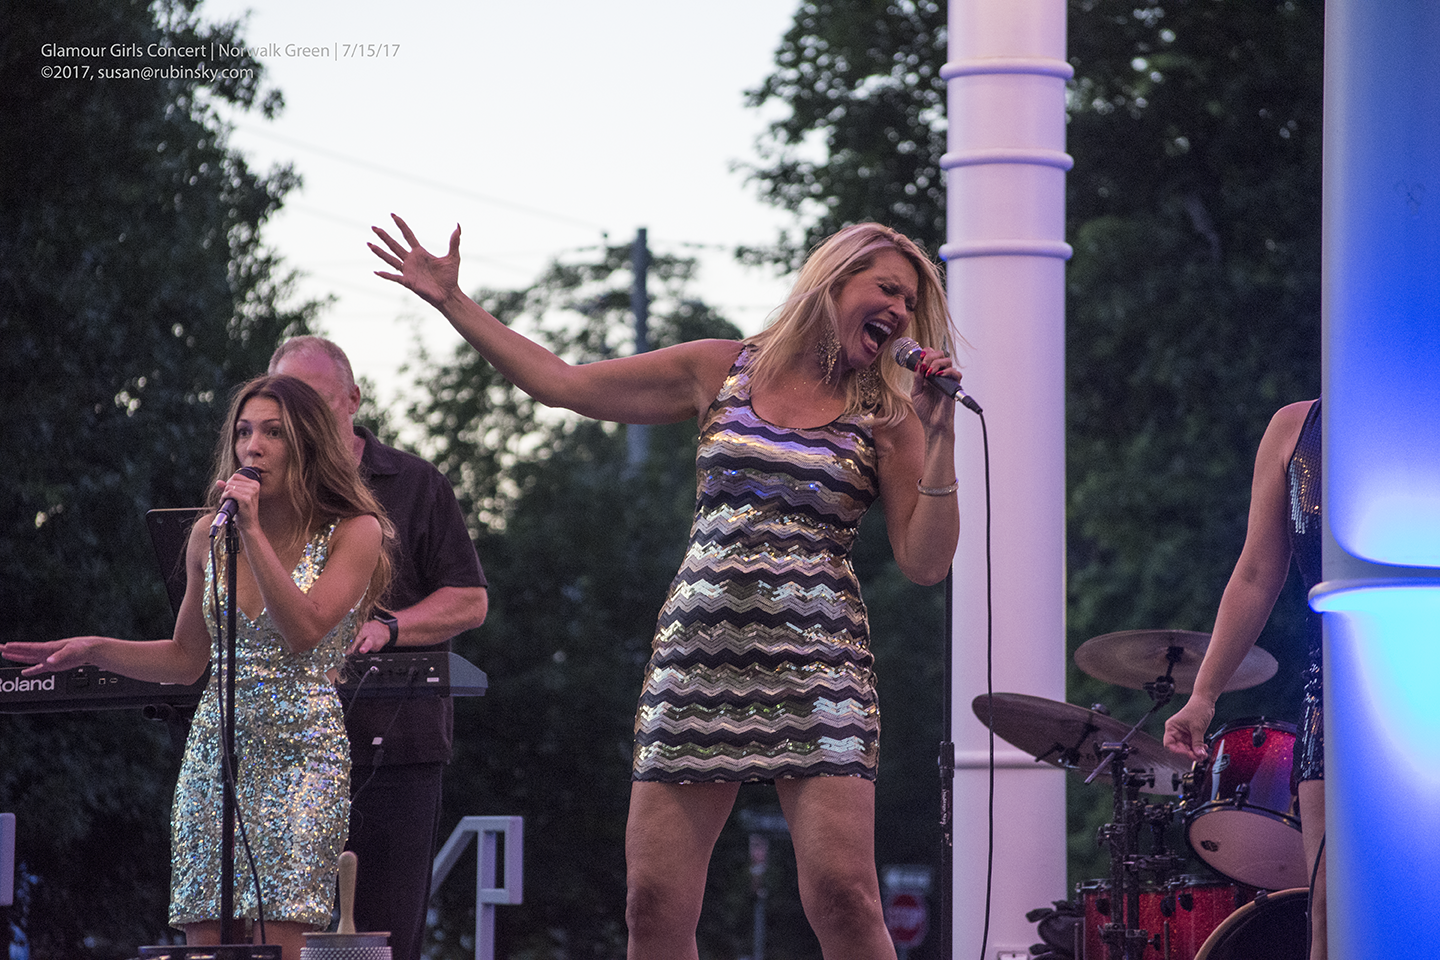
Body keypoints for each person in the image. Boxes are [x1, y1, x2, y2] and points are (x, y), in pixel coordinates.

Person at [368, 213, 964, 960]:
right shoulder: (721, 368)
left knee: (845, 895)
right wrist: (453, 301)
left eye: (911, 301)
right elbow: (562, 384)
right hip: (698, 660)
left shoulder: (889, 418)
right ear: (834, 284)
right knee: (651, 904)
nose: (902, 311)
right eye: (889, 289)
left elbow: (926, 562)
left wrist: (940, 435)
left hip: (818, 668)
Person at [1, 374, 391, 960]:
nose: (253, 446)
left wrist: (252, 531)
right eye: (244, 432)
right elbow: (186, 661)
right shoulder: (210, 535)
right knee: (203, 932)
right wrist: (94, 648)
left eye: (273, 433)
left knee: (282, 931)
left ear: (307, 443)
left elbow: (305, 630)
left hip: (301, 753)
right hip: (216, 748)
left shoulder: (355, 531)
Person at [268, 335, 489, 960]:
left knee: (382, 934)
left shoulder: (415, 484)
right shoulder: (265, 494)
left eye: (313, 399)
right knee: (280, 933)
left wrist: (390, 627)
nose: (299, 417)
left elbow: (469, 601)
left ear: (352, 400)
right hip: (280, 741)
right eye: (285, 403)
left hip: (394, 743)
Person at [1162, 398, 1325, 960]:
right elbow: (1255, 574)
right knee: (1329, 908)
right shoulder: (1295, 428)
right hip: (1334, 688)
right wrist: (1202, 697)